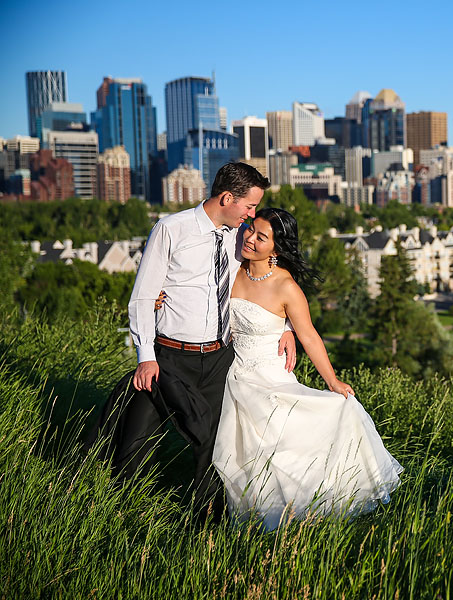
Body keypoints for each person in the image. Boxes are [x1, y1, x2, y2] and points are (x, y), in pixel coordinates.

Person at [95, 162, 297, 518]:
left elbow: (265, 283)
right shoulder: (171, 230)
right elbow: (142, 297)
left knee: (213, 445)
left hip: (220, 358)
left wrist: (286, 328)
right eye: (249, 206)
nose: (252, 216)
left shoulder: (241, 238)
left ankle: (206, 523)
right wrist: (145, 357)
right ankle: (121, 514)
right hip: (169, 356)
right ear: (227, 198)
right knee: (134, 442)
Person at [210, 208, 402, 530]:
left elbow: (309, 335)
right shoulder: (232, 263)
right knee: (239, 456)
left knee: (279, 452)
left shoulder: (286, 287)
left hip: (269, 377)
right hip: (233, 375)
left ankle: (291, 521)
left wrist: (333, 381)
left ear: (277, 248)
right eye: (250, 230)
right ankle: (252, 523)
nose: (250, 239)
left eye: (261, 237)